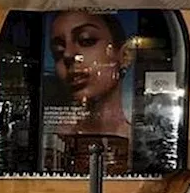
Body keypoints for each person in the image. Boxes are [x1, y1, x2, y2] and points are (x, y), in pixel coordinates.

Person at [47, 10, 134, 172]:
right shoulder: (55, 137)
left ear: (124, 55)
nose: (68, 54)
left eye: (86, 40)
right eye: (58, 51)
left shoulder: (141, 140)